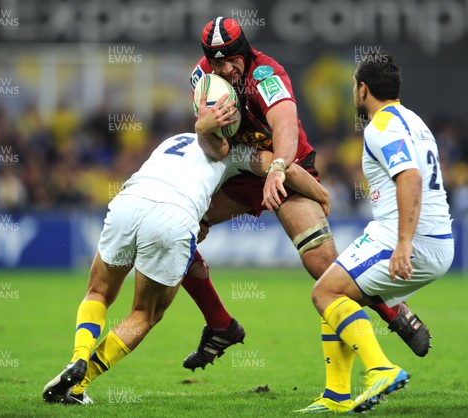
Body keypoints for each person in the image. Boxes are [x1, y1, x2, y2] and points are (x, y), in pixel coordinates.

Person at [42, 94, 329, 405]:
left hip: (130, 200)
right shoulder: (237, 152)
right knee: (144, 314)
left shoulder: (174, 138)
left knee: (97, 291)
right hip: (173, 217)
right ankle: (81, 381)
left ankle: (78, 356)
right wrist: (322, 196)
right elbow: (289, 171)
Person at [181, 16, 431, 372]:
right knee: (177, 230)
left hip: (288, 168)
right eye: (216, 62)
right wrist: (202, 128)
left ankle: (392, 311)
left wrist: (279, 169)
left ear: (244, 51)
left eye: (230, 59)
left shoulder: (266, 74)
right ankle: (220, 324)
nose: (225, 68)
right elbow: (216, 150)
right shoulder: (202, 78)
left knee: (323, 269)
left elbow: (284, 124)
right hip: (238, 170)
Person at [298, 52, 454, 413]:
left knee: (324, 292)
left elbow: (410, 178)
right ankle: (335, 396)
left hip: (408, 239)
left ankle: (380, 369)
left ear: (363, 89)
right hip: (434, 239)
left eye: (354, 84)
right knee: (338, 292)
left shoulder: (380, 127)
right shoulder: (415, 121)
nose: (354, 90)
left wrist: (402, 243)